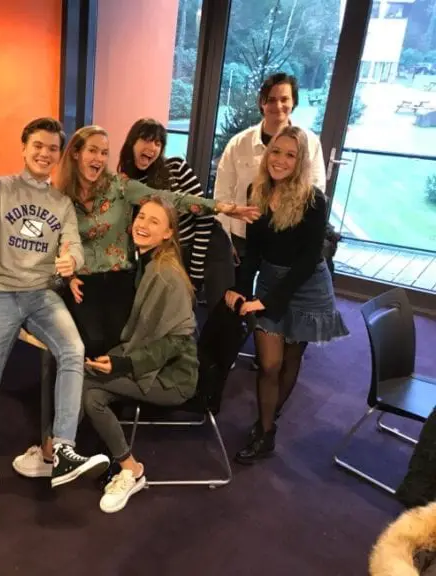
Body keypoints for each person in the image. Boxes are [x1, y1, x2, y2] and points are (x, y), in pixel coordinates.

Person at [10, 125, 259, 480]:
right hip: (82, 287)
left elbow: (170, 199)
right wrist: (67, 274)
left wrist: (223, 207)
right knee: (68, 355)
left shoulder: (120, 187)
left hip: (119, 284)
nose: (99, 158)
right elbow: (53, 243)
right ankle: (61, 447)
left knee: (92, 361)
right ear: (76, 153)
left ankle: (72, 447)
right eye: (92, 150)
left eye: (104, 152)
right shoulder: (59, 196)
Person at [0, 118, 110, 516]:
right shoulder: (0, 188)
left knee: (73, 349)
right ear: (24, 147)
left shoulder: (62, 203)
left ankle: (63, 448)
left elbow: (75, 247)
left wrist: (71, 259)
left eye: (52, 148)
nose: (44, 153)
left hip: (41, 294)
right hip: (0, 293)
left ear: (60, 155)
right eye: (37, 145)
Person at [224, 126, 348, 464]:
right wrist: (241, 288)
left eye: (290, 155)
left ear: (300, 160)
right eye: (276, 152)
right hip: (270, 279)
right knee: (269, 364)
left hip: (306, 286)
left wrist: (268, 301)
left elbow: (308, 261)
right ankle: (266, 428)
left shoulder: (314, 200)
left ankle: (266, 426)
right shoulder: (256, 191)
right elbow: (253, 252)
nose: (280, 160)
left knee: (291, 360)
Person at [83, 195, 199, 513]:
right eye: (142, 216)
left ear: (168, 233)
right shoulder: (145, 262)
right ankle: (118, 464)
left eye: (154, 221)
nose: (143, 224)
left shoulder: (166, 274)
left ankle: (64, 451)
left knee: (87, 384)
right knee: (88, 386)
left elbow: (177, 341)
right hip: (153, 364)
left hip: (173, 377)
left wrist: (123, 363)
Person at [118, 117, 235, 309]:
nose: (152, 147)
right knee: (181, 311)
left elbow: (204, 215)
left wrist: (195, 271)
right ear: (132, 142)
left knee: (222, 310)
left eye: (158, 143)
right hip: (174, 254)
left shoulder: (175, 167)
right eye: (146, 140)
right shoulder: (127, 185)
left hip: (208, 245)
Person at [214, 72, 326, 268]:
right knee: (241, 285)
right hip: (242, 236)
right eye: (271, 99)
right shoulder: (239, 144)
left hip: (287, 242)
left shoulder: (310, 143)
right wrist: (225, 240)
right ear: (262, 102)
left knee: (275, 287)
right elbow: (222, 193)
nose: (278, 106)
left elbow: (315, 191)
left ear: (294, 102)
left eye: (284, 99)